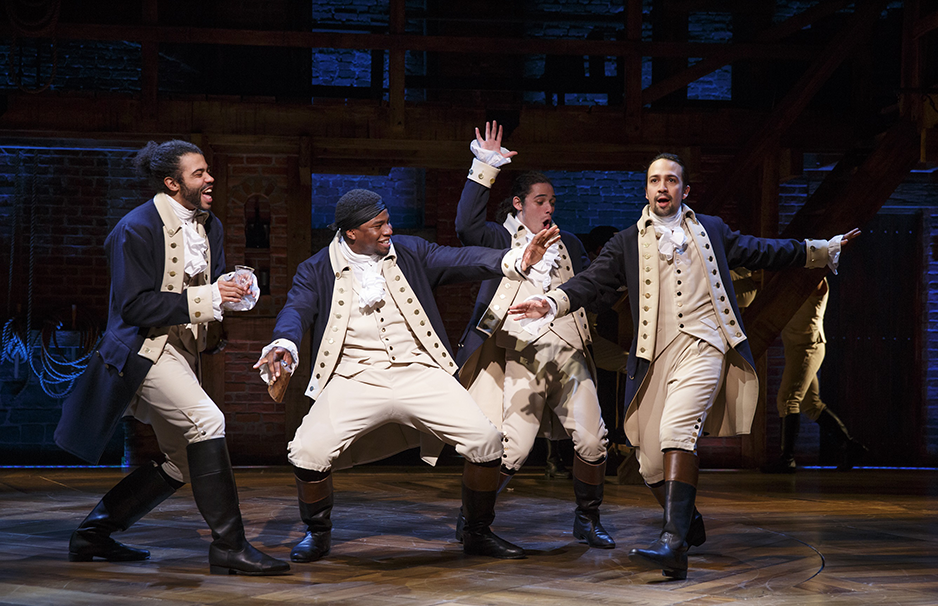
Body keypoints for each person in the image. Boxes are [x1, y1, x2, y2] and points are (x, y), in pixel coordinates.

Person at [509, 152, 860, 579]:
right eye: (655, 180)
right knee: (650, 463)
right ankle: (687, 521)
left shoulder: (710, 230)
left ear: (684, 190)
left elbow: (762, 250)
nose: (662, 187)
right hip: (656, 355)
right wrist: (550, 301)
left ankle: (673, 544)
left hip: (705, 344)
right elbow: (590, 282)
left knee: (678, 431)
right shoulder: (625, 242)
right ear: (646, 190)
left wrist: (819, 251)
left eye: (671, 180)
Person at [254, 187, 560, 562]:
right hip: (355, 376)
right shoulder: (317, 268)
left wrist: (513, 260)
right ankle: (317, 533)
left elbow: (461, 258)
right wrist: (284, 344)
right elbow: (296, 310)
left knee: (486, 441)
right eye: (378, 225)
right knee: (306, 452)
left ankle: (478, 532)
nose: (388, 230)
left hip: (421, 371)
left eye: (388, 221)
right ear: (351, 232)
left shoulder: (410, 251)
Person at [54, 140, 289, 576]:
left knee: (182, 460)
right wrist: (210, 296)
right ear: (172, 182)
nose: (209, 178)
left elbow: (208, 284)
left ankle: (93, 535)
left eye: (207, 171)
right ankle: (230, 547)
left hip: (184, 352)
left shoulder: (209, 225)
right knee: (208, 421)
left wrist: (233, 289)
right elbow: (134, 307)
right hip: (145, 350)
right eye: (199, 173)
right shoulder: (136, 228)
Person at [453, 122, 615, 549]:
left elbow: (588, 291)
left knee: (594, 438)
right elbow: (465, 226)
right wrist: (484, 165)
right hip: (520, 354)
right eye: (540, 201)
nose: (549, 208)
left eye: (552, 201)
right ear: (519, 204)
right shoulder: (497, 236)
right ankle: (474, 520)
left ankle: (588, 518)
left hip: (569, 352)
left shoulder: (571, 243)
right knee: (513, 448)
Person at [763, 278, 867, 473]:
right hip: (797, 347)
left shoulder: (816, 280)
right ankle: (850, 446)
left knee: (788, 400)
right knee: (810, 404)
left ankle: (787, 460)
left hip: (807, 348)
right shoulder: (799, 279)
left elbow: (808, 279)